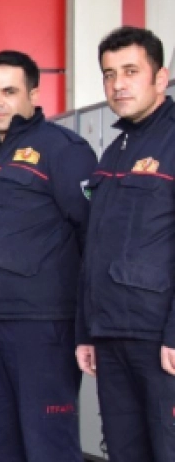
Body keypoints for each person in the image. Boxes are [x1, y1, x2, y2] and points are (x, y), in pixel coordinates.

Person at [0, 50, 96, 462]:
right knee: (0, 446)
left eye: (8, 92)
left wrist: (86, 326)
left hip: (43, 326)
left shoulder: (63, 149)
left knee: (47, 445)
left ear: (34, 94)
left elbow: (92, 235)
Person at [76, 26, 175, 461]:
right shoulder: (114, 151)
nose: (118, 84)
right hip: (112, 335)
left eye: (131, 71)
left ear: (161, 77)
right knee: (124, 452)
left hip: (160, 341)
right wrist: (86, 331)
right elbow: (94, 248)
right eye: (109, 73)